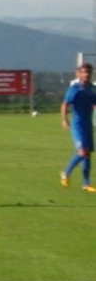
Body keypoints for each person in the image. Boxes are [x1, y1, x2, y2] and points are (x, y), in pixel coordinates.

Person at [60, 63, 96, 192]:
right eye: (84, 72)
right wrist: (64, 119)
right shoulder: (75, 88)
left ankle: (86, 184)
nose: (86, 75)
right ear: (79, 74)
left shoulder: (92, 89)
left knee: (88, 155)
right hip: (77, 125)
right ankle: (66, 173)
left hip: (88, 125)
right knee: (82, 152)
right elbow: (65, 104)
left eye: (89, 72)